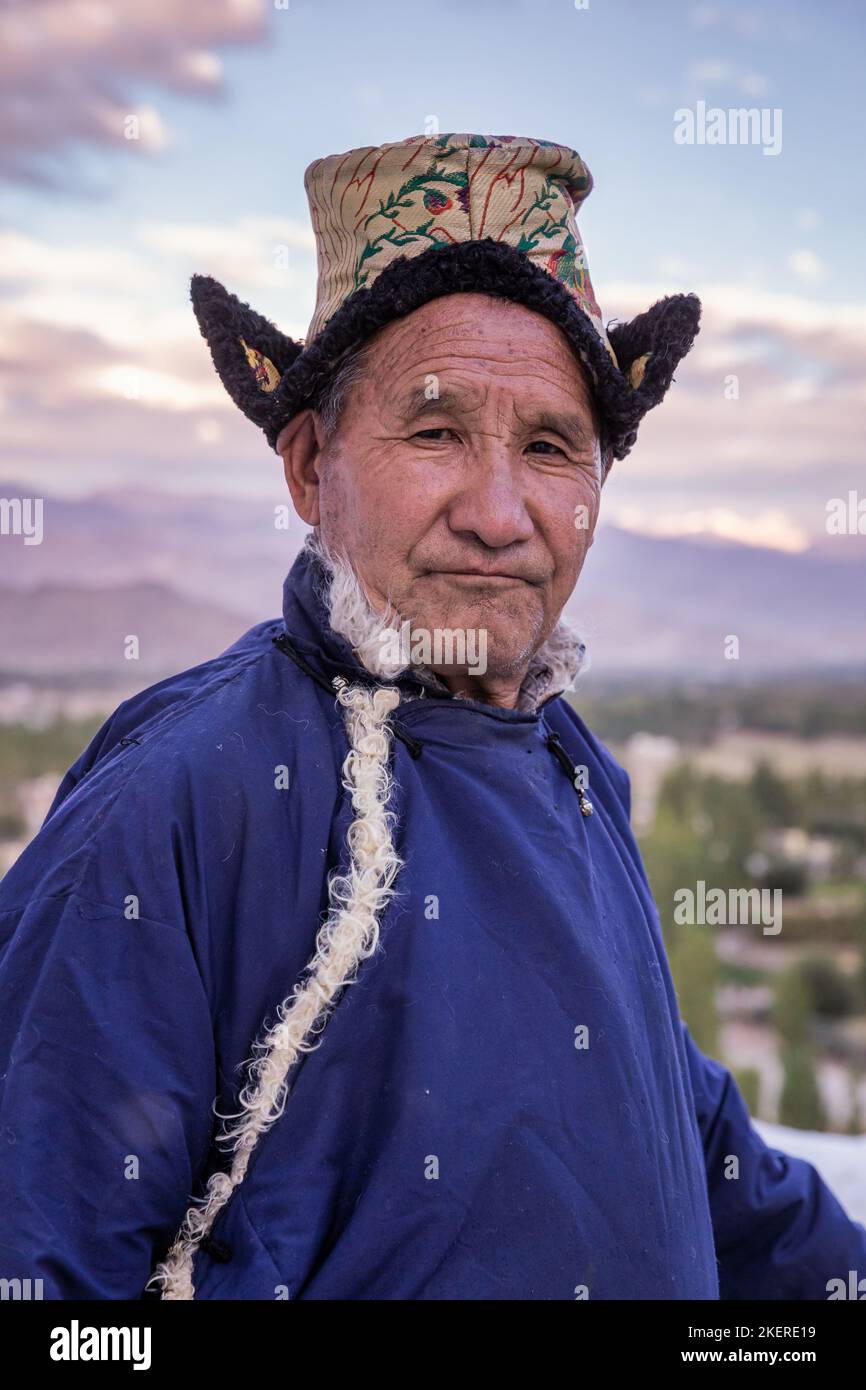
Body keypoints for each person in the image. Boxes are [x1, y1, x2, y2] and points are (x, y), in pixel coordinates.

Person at [1, 133, 863, 1300]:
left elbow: (674, 1120)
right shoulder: (182, 797)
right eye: (434, 428)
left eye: (551, 446)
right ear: (310, 468)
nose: (501, 513)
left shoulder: (567, 761)